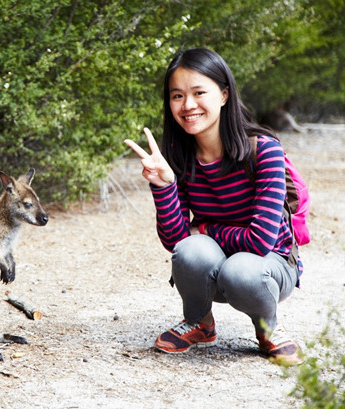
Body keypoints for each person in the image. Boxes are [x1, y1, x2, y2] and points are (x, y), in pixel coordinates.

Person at [124, 48, 303, 365]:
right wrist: (163, 184)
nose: (188, 105)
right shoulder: (180, 156)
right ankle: (200, 323)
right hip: (220, 265)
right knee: (190, 251)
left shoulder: (264, 151)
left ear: (223, 94)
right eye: (177, 95)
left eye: (198, 92)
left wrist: (206, 228)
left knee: (241, 270)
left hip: (269, 267)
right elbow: (176, 242)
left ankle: (267, 328)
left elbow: (260, 242)